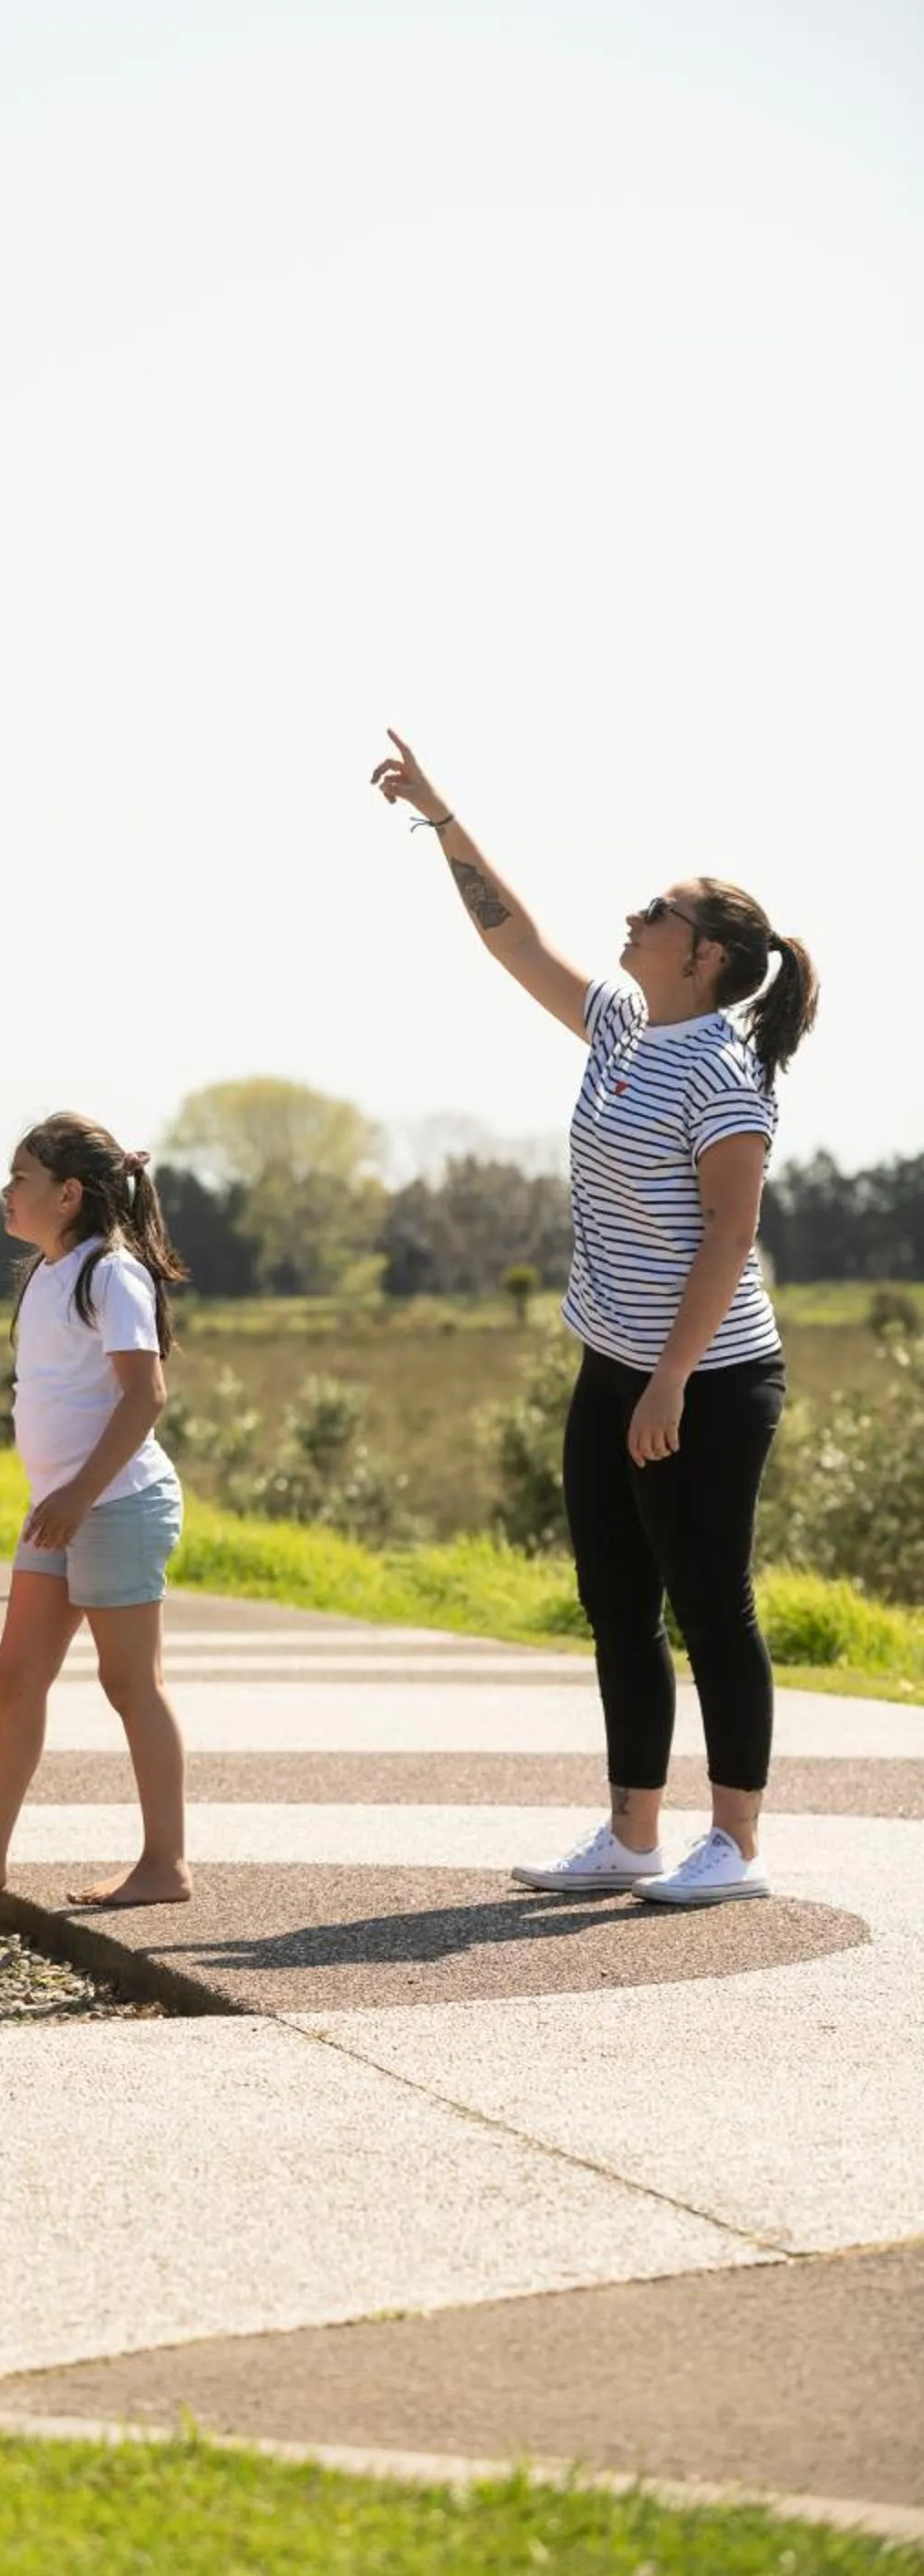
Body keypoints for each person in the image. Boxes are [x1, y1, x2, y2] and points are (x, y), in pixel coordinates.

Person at [371, 729, 820, 1906]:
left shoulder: (725, 1071)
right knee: (614, 1596)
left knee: (707, 1596)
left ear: (707, 955)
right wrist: (438, 815)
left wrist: (670, 1382)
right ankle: (630, 1832)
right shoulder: (626, 1029)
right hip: (613, 1360)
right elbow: (511, 938)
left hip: (709, 1377)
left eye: (654, 913)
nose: (630, 919)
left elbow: (730, 1237)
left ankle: (734, 1844)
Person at [0, 1113, 192, 1910]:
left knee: (131, 1682)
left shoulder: (113, 1272)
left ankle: (164, 1865)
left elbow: (146, 1397)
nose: (6, 1190)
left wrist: (76, 1494)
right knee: (16, 1674)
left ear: (68, 1194)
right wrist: (58, 1499)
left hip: (115, 1503)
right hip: (61, 1508)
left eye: (20, 1177)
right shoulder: (46, 1272)